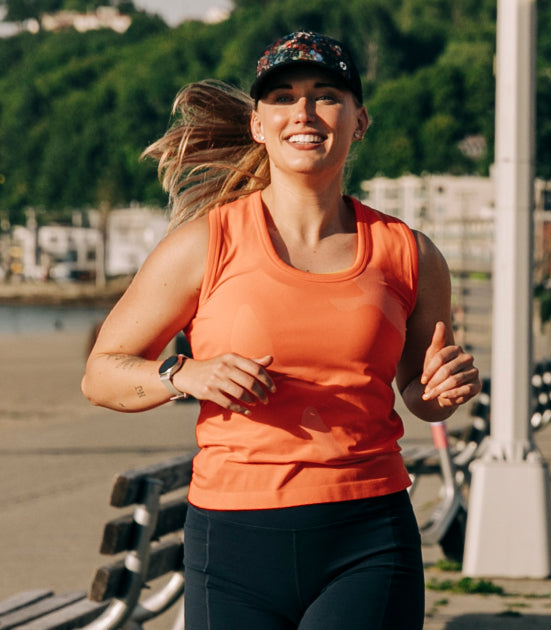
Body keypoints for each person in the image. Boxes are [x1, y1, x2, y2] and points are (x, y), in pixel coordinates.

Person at [81, 31, 480, 629]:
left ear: (359, 120)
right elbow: (101, 373)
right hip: (234, 540)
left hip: (367, 534)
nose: (304, 111)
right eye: (283, 97)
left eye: (326, 95)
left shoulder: (410, 253)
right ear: (259, 125)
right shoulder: (203, 243)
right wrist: (186, 374)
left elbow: (420, 395)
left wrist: (442, 391)